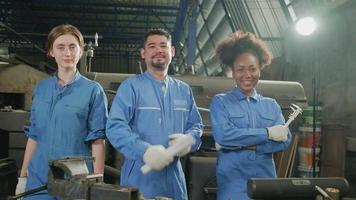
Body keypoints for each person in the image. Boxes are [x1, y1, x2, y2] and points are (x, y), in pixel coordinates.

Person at [106, 29, 203, 200]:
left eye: (163, 46)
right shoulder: (131, 87)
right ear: (143, 53)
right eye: (152, 46)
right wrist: (145, 151)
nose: (158, 50)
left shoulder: (183, 90)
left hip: (174, 179)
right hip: (139, 177)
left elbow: (196, 126)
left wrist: (189, 141)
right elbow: (115, 127)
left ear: (171, 51)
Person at [15, 24, 108, 199]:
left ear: (81, 51)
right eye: (61, 47)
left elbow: (98, 141)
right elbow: (34, 136)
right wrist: (23, 176)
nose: (67, 53)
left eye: (73, 47)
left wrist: (98, 183)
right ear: (51, 52)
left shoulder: (93, 91)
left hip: (76, 180)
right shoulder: (41, 89)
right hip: (38, 178)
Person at [210, 31, 291, 200]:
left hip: (266, 184)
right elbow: (224, 136)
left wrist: (249, 145)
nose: (247, 75)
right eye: (240, 69)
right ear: (232, 72)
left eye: (253, 69)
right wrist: (268, 133)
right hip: (233, 186)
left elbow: (285, 140)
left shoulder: (271, 105)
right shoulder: (221, 102)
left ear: (260, 69)